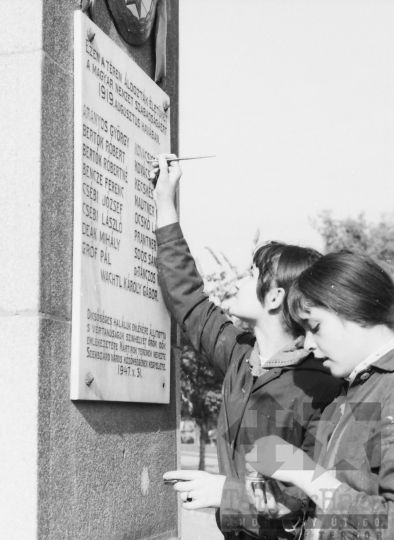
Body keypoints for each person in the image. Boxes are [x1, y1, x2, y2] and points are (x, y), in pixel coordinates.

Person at [152, 155, 343, 540]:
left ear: (274, 298)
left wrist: (225, 492)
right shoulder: (242, 358)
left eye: (252, 274)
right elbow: (188, 300)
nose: (240, 279)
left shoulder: (323, 387)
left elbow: (308, 496)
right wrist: (165, 204)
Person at [245, 251, 394, 540]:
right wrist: (291, 513)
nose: (309, 344)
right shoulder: (350, 393)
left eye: (315, 327)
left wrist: (306, 474)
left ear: (354, 307)